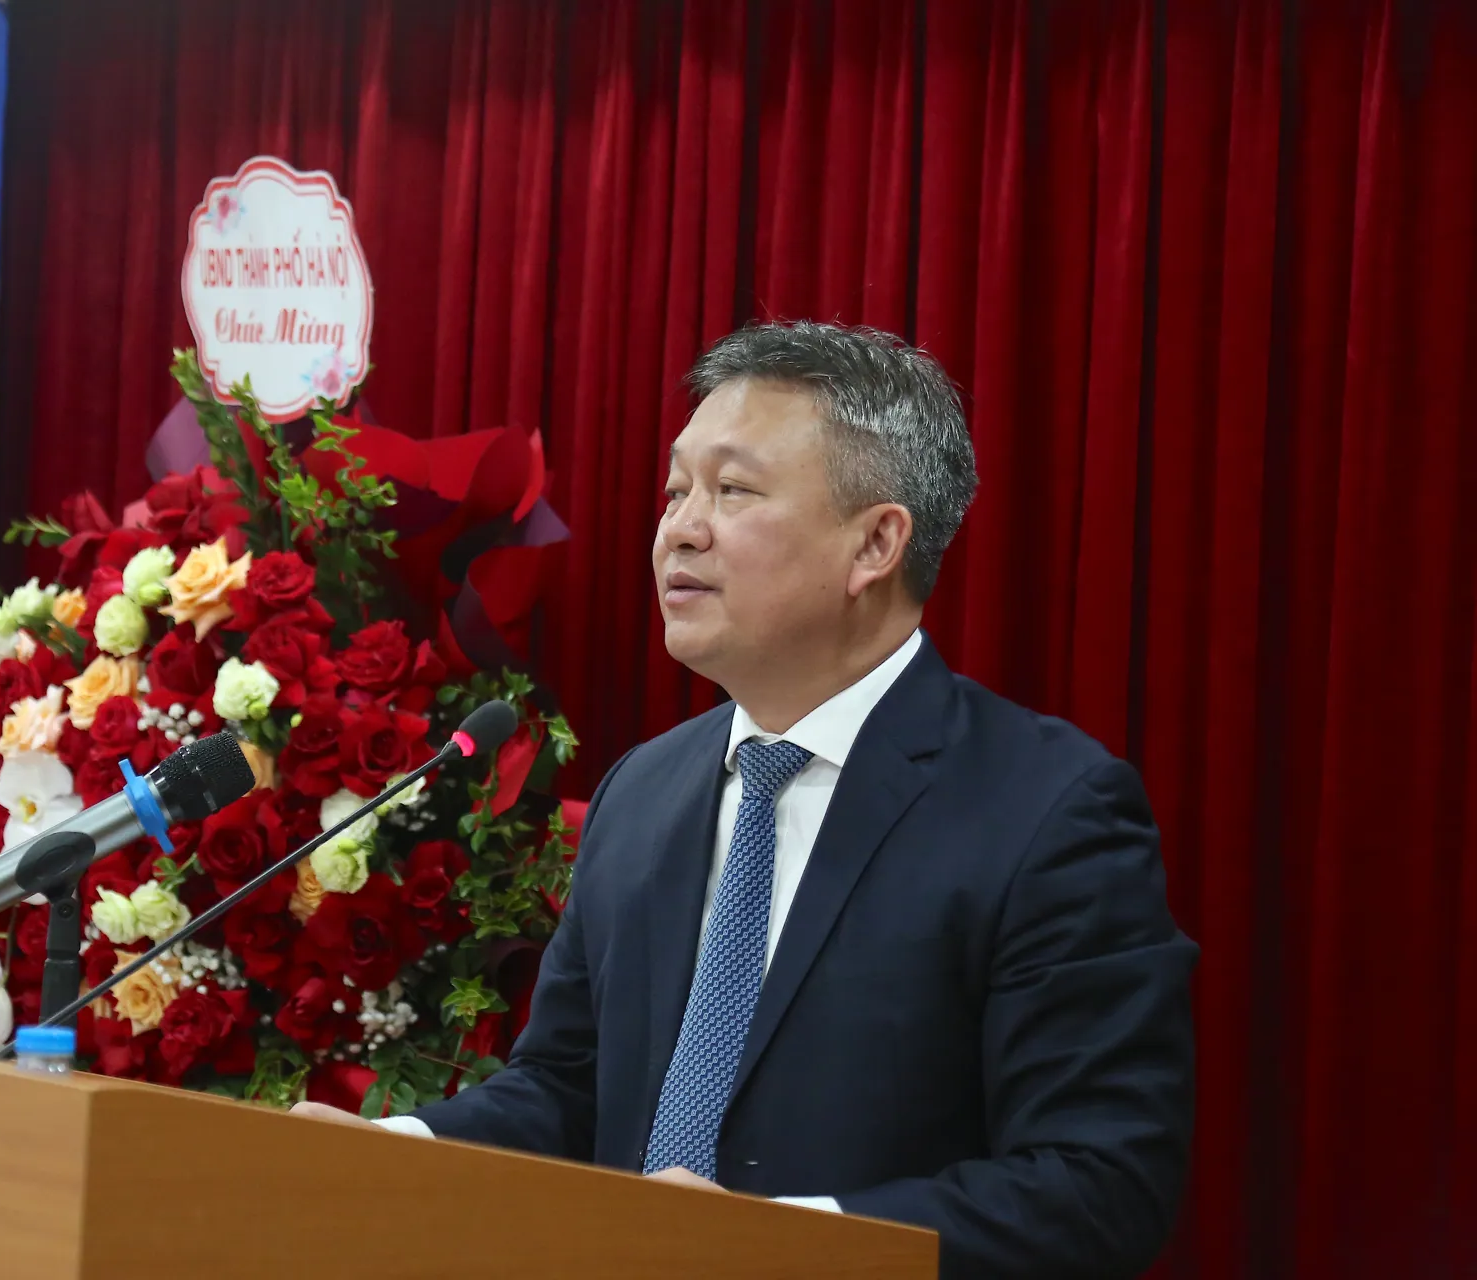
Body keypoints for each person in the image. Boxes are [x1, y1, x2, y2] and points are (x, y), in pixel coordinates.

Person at [293, 320, 1196, 1278]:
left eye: (732, 491)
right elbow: (567, 1092)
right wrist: (394, 1152)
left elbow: (1097, 1185)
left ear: (875, 543)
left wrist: (773, 1248)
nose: (680, 529)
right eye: (676, 490)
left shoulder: (1045, 811)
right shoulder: (642, 791)